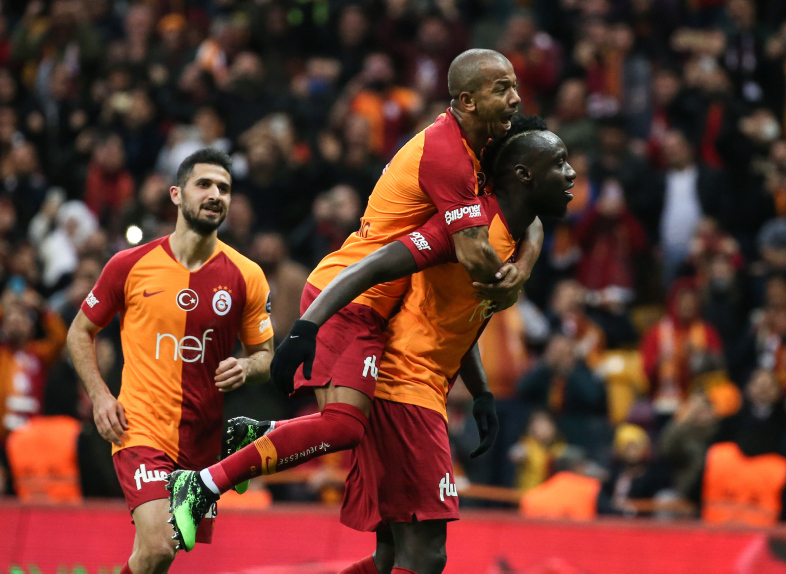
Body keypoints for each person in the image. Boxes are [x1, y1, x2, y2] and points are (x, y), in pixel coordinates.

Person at [165, 48, 538, 551]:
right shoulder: (448, 155)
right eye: (502, 88)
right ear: (467, 101)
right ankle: (202, 484)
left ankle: (257, 434)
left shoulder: (474, 153)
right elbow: (478, 257)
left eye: (515, 86)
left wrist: (522, 268)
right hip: (350, 293)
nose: (515, 99)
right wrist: (514, 280)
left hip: (376, 306)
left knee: (349, 440)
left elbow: (522, 223)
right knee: (343, 428)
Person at [66, 148, 274, 572]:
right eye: (204, 184)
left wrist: (247, 367)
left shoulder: (247, 275)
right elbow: (78, 332)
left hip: (202, 439)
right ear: (176, 194)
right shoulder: (129, 265)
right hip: (140, 428)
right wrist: (101, 396)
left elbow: (265, 357)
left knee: (154, 557)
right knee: (160, 545)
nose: (216, 195)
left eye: (224, 188)